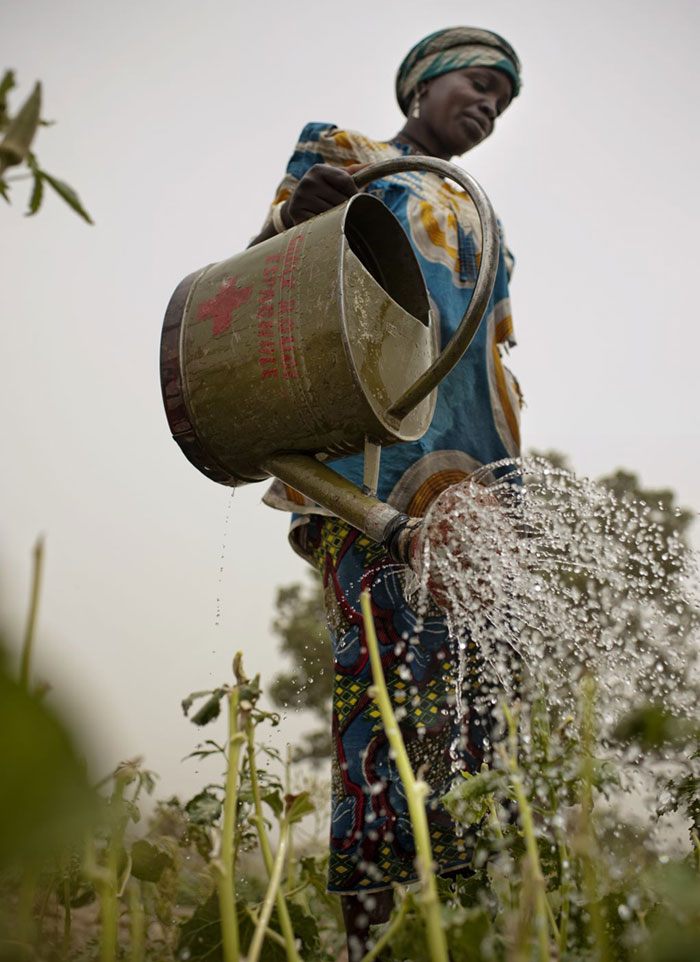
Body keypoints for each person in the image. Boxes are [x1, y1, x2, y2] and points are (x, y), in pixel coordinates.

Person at [251, 26, 523, 960]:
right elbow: (258, 274)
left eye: (503, 100)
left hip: (478, 483)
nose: (488, 106)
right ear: (426, 85)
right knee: (381, 700)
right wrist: (299, 219)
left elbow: (489, 355)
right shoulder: (349, 157)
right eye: (479, 85)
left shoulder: (484, 216)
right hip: (369, 471)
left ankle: (473, 923)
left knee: (481, 712)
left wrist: (506, 493)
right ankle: (368, 935)